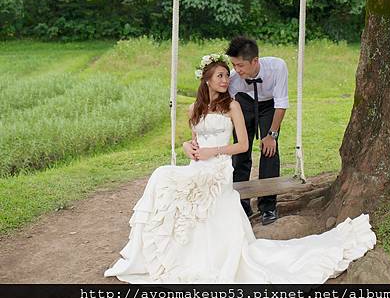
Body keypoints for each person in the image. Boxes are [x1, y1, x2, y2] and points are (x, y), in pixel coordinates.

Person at [104, 53, 376, 284]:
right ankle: (157, 251)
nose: (226, 80)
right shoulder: (193, 109)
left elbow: (243, 145)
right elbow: (194, 141)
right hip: (197, 165)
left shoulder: (231, 106)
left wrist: (213, 152)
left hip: (219, 168)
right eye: (220, 76)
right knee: (161, 175)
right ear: (207, 80)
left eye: (227, 75)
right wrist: (188, 146)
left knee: (170, 179)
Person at [226, 36, 288, 225]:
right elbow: (227, 104)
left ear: (255, 61)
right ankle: (241, 203)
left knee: (270, 151)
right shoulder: (233, 78)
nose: (237, 69)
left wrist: (271, 135)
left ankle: (268, 206)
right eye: (234, 65)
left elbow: (281, 103)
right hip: (243, 104)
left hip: (269, 106)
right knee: (240, 152)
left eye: (240, 65)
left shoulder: (277, 67)